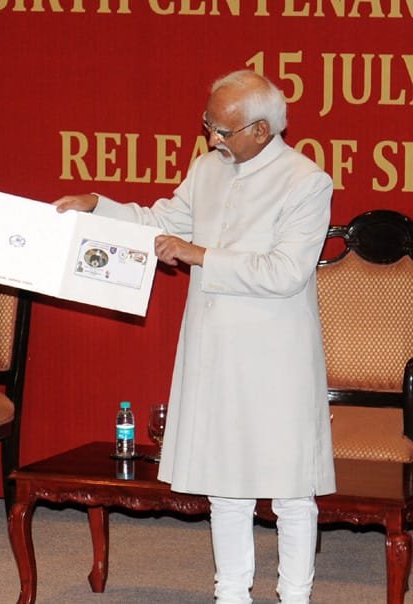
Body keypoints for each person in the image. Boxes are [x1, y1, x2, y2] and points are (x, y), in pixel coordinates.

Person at [55, 70, 335, 604]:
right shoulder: (210, 168)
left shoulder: (306, 181)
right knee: (224, 483)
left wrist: (198, 254)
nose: (211, 139)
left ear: (260, 130)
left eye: (222, 131)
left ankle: (295, 595)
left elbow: (285, 272)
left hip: (277, 356)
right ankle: (231, 592)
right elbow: (161, 219)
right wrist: (99, 205)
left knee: (291, 490)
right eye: (209, 125)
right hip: (213, 349)